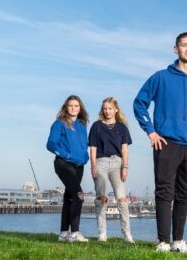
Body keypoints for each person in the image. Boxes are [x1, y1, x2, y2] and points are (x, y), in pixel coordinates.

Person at [133, 32, 187, 254]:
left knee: (184, 194)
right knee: (164, 192)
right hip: (166, 143)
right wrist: (150, 131)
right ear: (175, 49)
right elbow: (139, 104)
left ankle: (179, 241)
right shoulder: (160, 77)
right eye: (184, 45)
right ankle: (163, 242)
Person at [89, 97, 134, 243]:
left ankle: (127, 234)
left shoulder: (122, 128)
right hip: (100, 162)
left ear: (116, 110)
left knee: (122, 198)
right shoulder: (96, 126)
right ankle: (102, 233)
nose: (107, 111)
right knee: (101, 198)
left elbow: (125, 150)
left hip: (117, 163)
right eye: (105, 108)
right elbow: (93, 148)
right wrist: (93, 166)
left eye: (110, 108)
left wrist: (125, 167)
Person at [46, 95, 90, 243]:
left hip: (79, 166)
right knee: (79, 196)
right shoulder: (59, 124)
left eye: (76, 106)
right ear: (66, 107)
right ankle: (75, 233)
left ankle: (63, 233)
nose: (73, 108)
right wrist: (66, 155)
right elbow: (51, 145)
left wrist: (85, 157)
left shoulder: (82, 125)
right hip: (63, 164)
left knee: (69, 198)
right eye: (70, 105)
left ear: (80, 108)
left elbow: (84, 145)